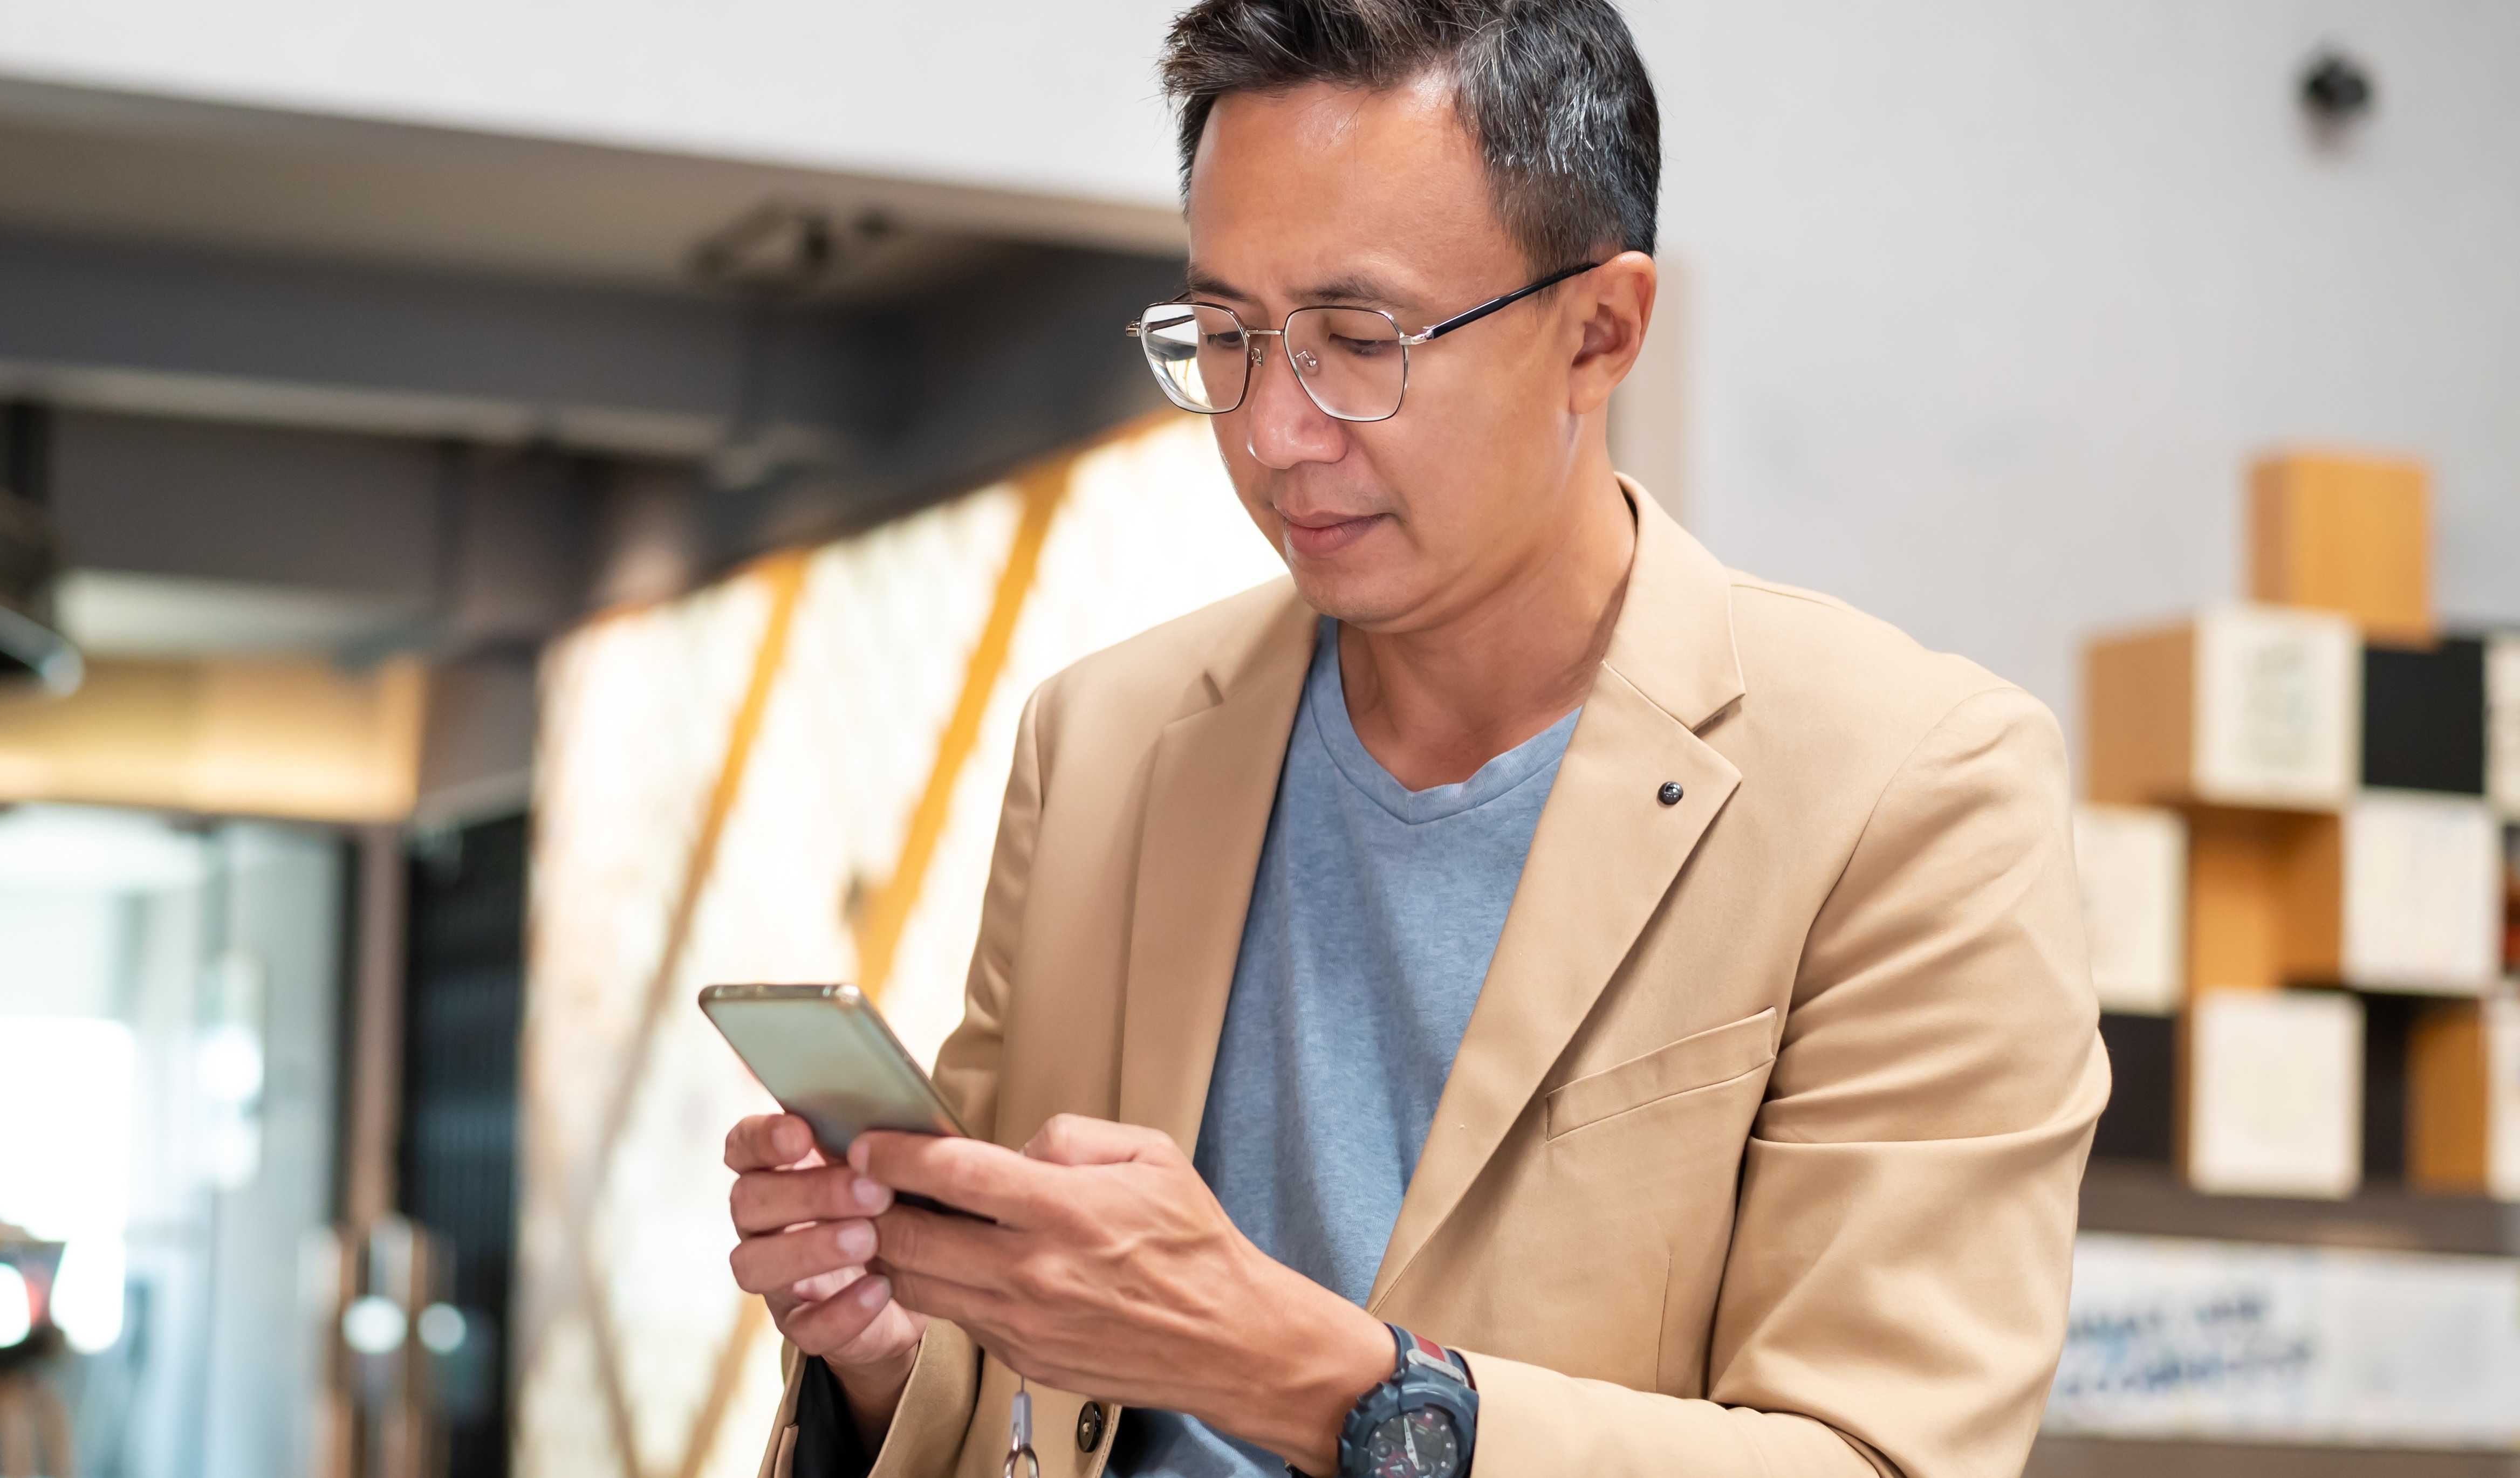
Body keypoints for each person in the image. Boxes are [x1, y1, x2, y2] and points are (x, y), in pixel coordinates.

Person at [722, 1, 2106, 1476]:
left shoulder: (1913, 788)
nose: (1272, 432)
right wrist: (886, 1348)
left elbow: (1878, 1460)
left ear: (1601, 330)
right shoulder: (1106, 743)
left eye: (1358, 339)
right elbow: (1009, 1397)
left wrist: (1285, 1364)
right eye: (1231, 335)